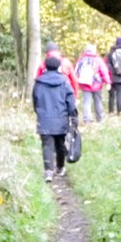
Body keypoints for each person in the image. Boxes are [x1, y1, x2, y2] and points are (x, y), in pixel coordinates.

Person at [31, 46, 80, 176]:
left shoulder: (39, 83)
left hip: (44, 118)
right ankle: (60, 167)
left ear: (45, 67)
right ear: (59, 67)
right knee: (61, 144)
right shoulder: (64, 82)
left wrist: (39, 112)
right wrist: (73, 116)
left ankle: (48, 171)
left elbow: (35, 100)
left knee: (47, 144)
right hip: (61, 118)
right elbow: (70, 101)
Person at [70, 37, 108, 121]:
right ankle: (99, 117)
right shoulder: (98, 60)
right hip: (97, 84)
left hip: (85, 84)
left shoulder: (81, 60)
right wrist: (107, 82)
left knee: (86, 102)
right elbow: (104, 71)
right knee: (98, 101)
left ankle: (86, 118)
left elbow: (76, 72)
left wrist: (77, 83)